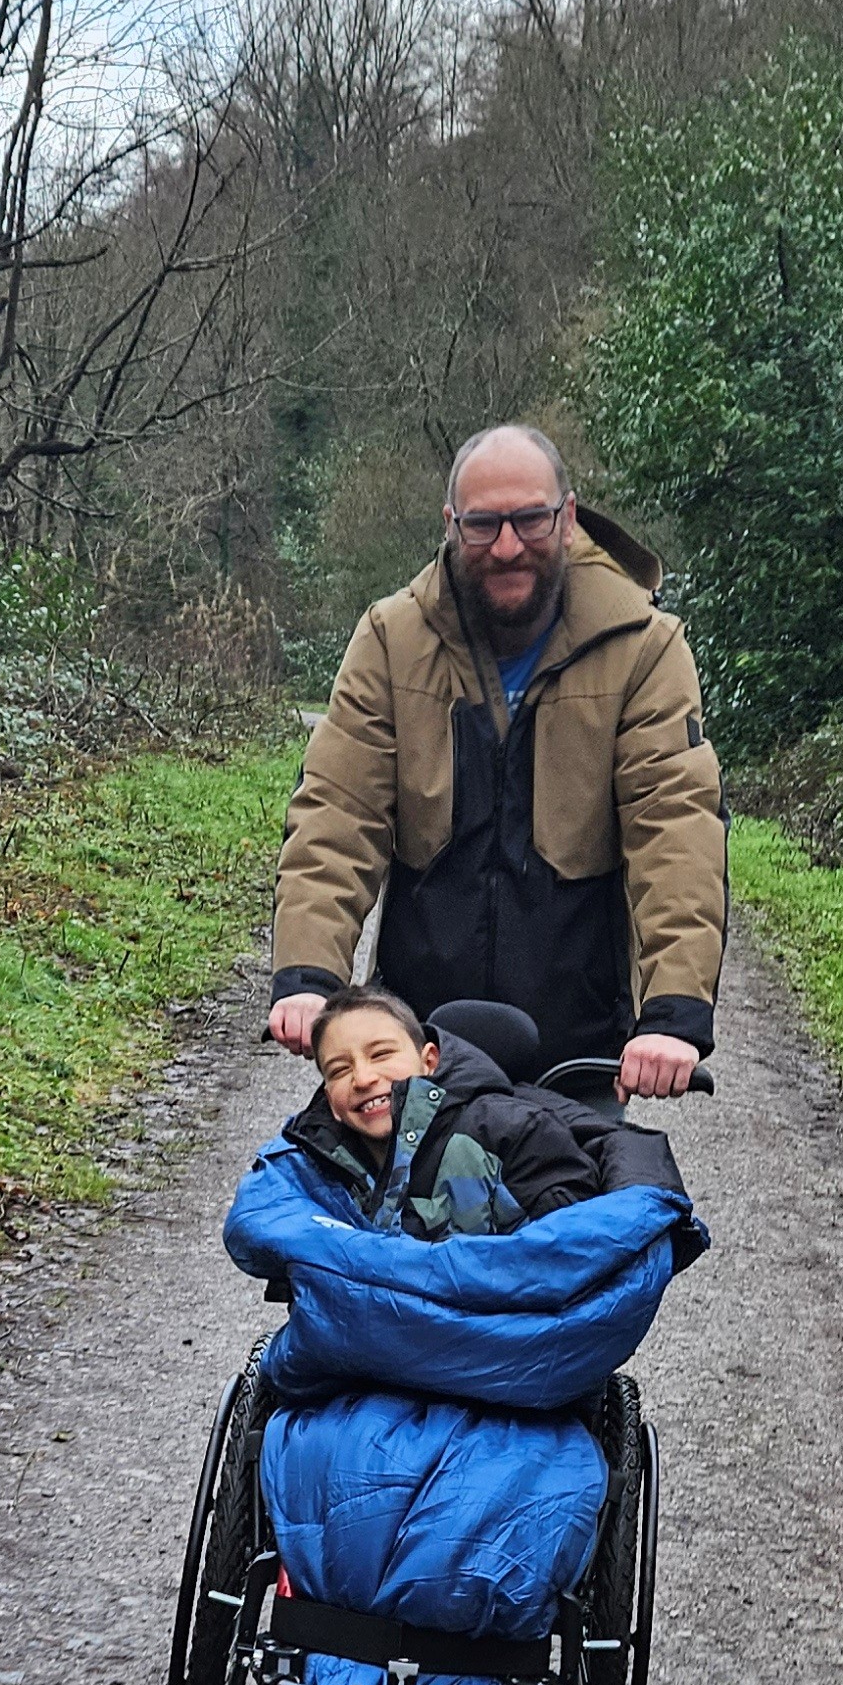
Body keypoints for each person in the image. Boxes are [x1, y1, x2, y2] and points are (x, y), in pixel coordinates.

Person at [268, 422, 726, 1096]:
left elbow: (675, 825)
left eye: (530, 520)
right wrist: (309, 977)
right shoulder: (392, 640)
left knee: (588, 1170)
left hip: (577, 1048)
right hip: (415, 1047)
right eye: (483, 525)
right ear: (451, 525)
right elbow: (339, 813)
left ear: (567, 518)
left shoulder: (643, 647)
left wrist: (673, 1012)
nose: (508, 546)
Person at [290, 984, 614, 1237]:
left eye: (381, 1054)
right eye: (339, 1070)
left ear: (429, 1061)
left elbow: (570, 1247)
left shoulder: (509, 1133)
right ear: (329, 1098)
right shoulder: (312, 1162)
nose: (362, 1078)